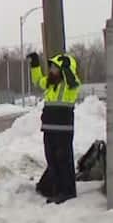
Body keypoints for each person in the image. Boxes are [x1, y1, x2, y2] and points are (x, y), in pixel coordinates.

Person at [30, 51, 81, 203]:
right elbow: (38, 80)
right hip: (49, 128)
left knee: (63, 160)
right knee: (52, 160)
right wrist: (35, 64)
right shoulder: (50, 83)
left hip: (63, 130)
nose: (51, 70)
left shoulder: (70, 84)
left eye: (54, 67)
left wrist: (67, 68)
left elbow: (73, 80)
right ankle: (56, 190)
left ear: (63, 69)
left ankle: (67, 191)